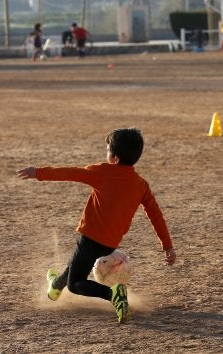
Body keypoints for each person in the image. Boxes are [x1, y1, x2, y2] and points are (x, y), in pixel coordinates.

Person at [17, 128, 176, 324]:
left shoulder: (103, 172)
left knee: (75, 283)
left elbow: (71, 173)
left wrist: (38, 173)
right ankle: (55, 288)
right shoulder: (141, 184)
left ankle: (113, 295)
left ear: (114, 158)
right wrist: (167, 246)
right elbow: (156, 215)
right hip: (111, 242)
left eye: (108, 149)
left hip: (90, 239)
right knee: (75, 266)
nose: (106, 152)